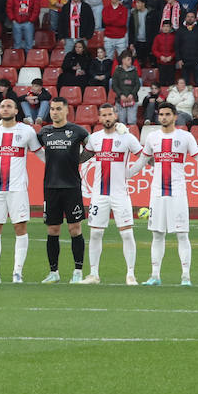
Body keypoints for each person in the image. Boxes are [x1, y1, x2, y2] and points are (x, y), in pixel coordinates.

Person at [136, 102, 198, 286]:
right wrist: (126, 174)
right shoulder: (152, 137)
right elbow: (143, 160)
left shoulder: (185, 137)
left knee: (182, 234)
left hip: (178, 193)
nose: (164, 117)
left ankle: (186, 276)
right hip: (157, 193)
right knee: (157, 234)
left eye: (167, 114)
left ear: (175, 116)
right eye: (161, 114)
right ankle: (155, 275)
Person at [81, 103, 142, 285]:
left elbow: (145, 156)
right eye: (104, 115)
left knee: (126, 234)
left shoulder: (127, 137)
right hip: (99, 195)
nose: (107, 118)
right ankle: (93, 274)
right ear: (99, 119)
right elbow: (83, 158)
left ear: (115, 116)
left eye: (110, 114)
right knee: (95, 234)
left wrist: (131, 172)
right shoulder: (94, 138)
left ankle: (130, 274)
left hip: (120, 194)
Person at [0, 98, 41, 284]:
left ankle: (17, 273)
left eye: (9, 106)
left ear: (16, 111)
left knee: (20, 227)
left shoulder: (27, 131)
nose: (5, 109)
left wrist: (62, 163)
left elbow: (40, 153)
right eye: (2, 106)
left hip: (18, 188)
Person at [36, 99, 90, 283]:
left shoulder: (78, 131)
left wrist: (79, 160)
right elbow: (32, 146)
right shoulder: (44, 132)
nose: (54, 112)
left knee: (75, 229)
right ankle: (54, 272)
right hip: (51, 186)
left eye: (58, 109)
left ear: (66, 111)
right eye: (52, 109)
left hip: (72, 186)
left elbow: (93, 146)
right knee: (52, 229)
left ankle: (77, 272)